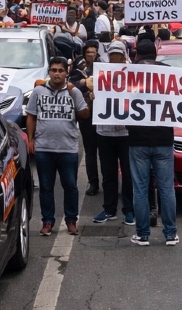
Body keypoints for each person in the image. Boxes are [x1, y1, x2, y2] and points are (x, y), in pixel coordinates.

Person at [26, 56, 90, 236]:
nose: (57, 74)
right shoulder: (38, 92)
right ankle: (47, 221)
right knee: (46, 187)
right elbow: (31, 116)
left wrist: (78, 94)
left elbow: (85, 114)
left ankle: (71, 220)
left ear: (66, 73)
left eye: (60, 70)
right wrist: (30, 140)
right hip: (44, 148)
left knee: (70, 186)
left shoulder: (73, 92)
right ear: (49, 72)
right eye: (54, 70)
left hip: (68, 148)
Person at [127, 39, 178, 245]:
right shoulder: (169, 73)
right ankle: (170, 234)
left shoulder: (128, 73)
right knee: (166, 188)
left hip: (138, 139)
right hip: (164, 138)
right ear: (156, 54)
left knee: (140, 188)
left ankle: (142, 234)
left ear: (136, 54)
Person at [91, 41, 134, 225]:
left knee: (128, 173)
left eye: (119, 54)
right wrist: (93, 95)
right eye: (113, 54)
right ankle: (109, 209)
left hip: (125, 133)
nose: (116, 58)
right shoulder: (101, 73)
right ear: (109, 56)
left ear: (124, 55)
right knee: (108, 174)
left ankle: (129, 209)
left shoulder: (134, 74)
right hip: (105, 132)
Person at [70, 42, 103, 196]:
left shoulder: (104, 67)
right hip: (87, 115)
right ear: (84, 53)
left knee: (104, 152)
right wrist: (84, 84)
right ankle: (93, 183)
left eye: (94, 51)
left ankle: (108, 182)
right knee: (90, 152)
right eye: (88, 52)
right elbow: (71, 86)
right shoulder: (78, 69)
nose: (91, 54)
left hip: (103, 115)